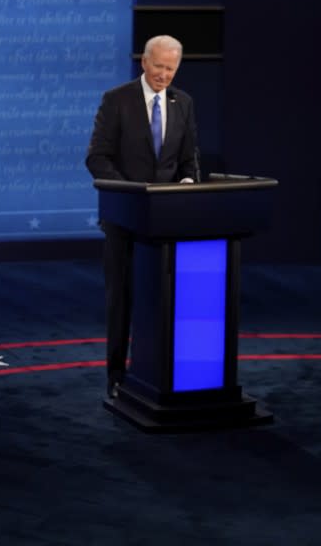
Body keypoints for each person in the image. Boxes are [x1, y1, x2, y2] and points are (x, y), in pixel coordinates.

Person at [85, 35, 199, 398]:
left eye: (171, 68)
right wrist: (130, 195)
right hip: (124, 219)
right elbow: (97, 157)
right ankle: (117, 376)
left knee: (165, 299)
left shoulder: (183, 103)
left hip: (168, 223)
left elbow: (188, 158)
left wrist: (187, 183)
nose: (165, 75)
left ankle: (160, 372)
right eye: (160, 66)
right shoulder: (116, 100)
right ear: (144, 63)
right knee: (121, 298)